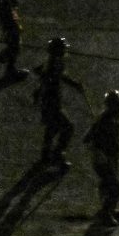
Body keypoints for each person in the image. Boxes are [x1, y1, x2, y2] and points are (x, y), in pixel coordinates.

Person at [33, 37, 86, 171]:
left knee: (51, 129)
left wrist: (74, 84)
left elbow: (50, 76)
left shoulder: (53, 62)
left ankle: (46, 157)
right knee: (67, 128)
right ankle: (56, 156)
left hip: (48, 101)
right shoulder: (55, 63)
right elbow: (51, 78)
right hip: (52, 102)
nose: (65, 51)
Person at [84, 89, 119, 226]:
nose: (118, 107)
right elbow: (89, 138)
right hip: (103, 159)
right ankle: (105, 214)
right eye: (116, 104)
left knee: (108, 185)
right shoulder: (105, 120)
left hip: (110, 157)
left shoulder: (112, 118)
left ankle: (109, 210)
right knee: (115, 187)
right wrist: (99, 151)